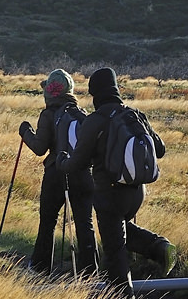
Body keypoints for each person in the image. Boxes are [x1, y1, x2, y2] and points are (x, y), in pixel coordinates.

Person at [58, 67, 176, 296]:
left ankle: (125, 293)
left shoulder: (96, 120)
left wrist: (62, 161)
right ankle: (159, 247)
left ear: (96, 94)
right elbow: (159, 150)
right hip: (136, 193)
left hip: (109, 194)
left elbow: (78, 162)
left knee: (115, 258)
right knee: (118, 232)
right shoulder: (135, 114)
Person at [19, 69, 97, 275]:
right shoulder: (81, 115)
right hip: (82, 173)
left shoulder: (48, 114)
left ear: (50, 93)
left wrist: (25, 132)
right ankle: (91, 272)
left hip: (56, 173)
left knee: (48, 220)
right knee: (84, 222)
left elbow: (39, 148)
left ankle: (40, 267)